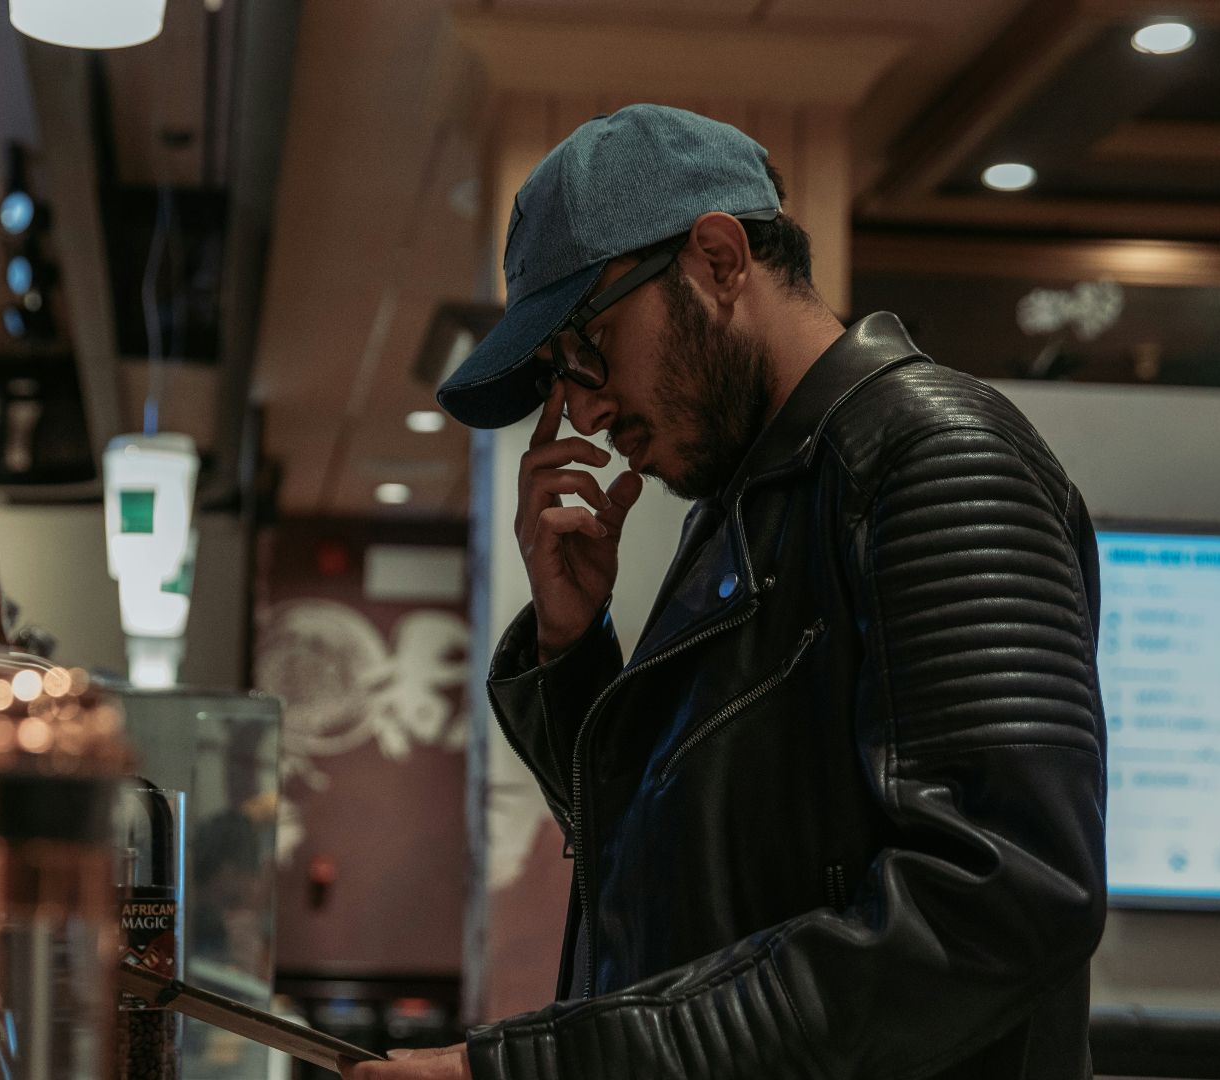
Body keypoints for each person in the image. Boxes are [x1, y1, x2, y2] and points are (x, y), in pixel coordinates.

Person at [347, 105, 1107, 1080]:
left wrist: (541, 1069)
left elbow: (1004, 902)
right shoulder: (753, 500)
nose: (582, 409)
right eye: (558, 375)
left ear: (717, 259)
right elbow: (682, 886)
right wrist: (572, 652)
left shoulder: (934, 458)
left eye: (589, 343)